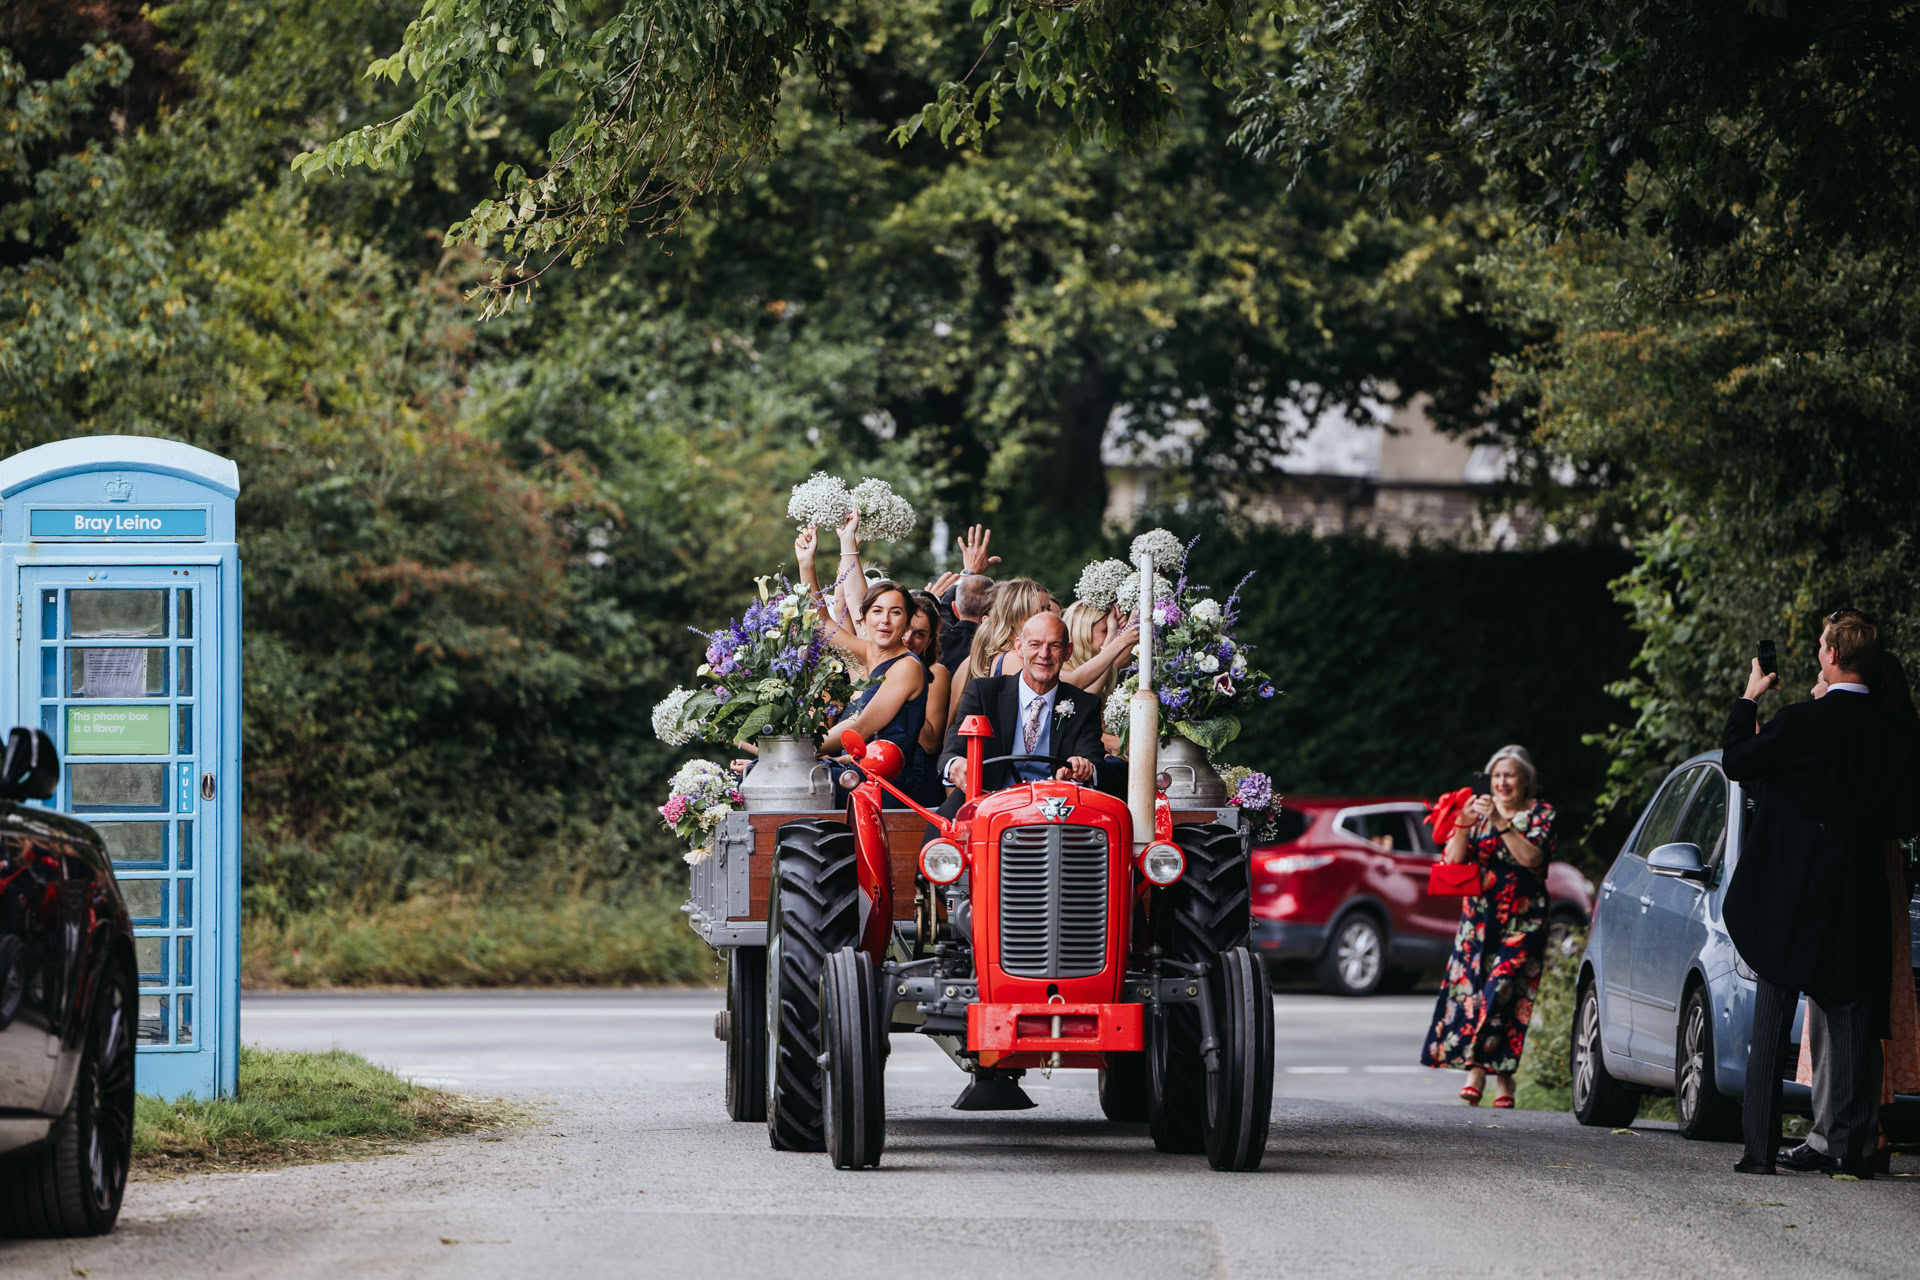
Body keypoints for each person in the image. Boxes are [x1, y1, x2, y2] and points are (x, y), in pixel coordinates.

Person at [1722, 609, 1920, 1177]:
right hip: (1857, 889)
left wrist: (1749, 697)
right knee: (1856, 1017)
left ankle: (1758, 1151)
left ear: (1831, 655)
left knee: (1773, 1010)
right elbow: (1907, 814)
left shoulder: (1801, 721)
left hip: (1791, 891)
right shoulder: (1896, 732)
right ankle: (1855, 1152)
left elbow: (1738, 760)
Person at [1790, 649, 1920, 1175]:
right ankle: (1861, 1133)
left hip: (1846, 875)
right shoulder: (1896, 734)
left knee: (1840, 1004)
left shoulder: (1849, 729)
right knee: (1862, 1007)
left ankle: (1840, 1135)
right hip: (1880, 873)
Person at [1419, 745, 1558, 1108]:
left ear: (1526, 780)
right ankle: (1505, 1077)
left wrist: (1500, 821)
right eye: (1496, 776)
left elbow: (1532, 858)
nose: (1502, 782)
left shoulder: (1541, 814)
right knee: (1478, 994)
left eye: (1510, 775)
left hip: (1523, 919)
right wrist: (1464, 822)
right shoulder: (1476, 812)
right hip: (1478, 921)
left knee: (1503, 991)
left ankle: (1478, 1070)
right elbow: (1452, 862)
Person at [793, 522, 930, 807]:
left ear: (906, 621)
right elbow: (822, 624)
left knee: (798, 781)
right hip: (856, 774)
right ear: (864, 618)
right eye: (877, 611)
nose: (885, 620)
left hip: (885, 786)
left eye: (895, 613)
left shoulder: (908, 667)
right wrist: (806, 564)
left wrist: (798, 748)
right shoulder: (869, 652)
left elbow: (861, 726)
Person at [932, 611, 1103, 817]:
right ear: (1019, 647)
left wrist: (1082, 767)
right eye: (1035, 644)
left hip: (1054, 814)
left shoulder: (1085, 704)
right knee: (938, 845)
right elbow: (951, 751)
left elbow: (1092, 759)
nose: (1044, 654)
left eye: (1054, 646)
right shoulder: (983, 692)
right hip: (985, 809)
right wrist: (957, 765)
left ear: (1068, 652)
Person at [949, 576, 1056, 726]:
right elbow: (1070, 686)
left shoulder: (972, 660)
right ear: (1017, 615)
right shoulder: (1014, 659)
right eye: (1041, 610)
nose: (1049, 616)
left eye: (1048, 609)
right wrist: (1102, 656)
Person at [1061, 600, 1139, 694]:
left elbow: (1120, 660)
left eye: (1115, 630)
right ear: (1083, 634)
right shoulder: (1059, 670)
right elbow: (1088, 697)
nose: (1112, 634)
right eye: (1105, 631)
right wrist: (1115, 637)